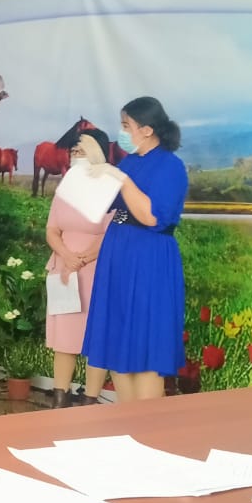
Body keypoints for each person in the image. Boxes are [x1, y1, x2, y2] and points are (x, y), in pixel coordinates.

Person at [82, 96, 189, 402]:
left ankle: (147, 422)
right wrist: (95, 170)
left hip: (148, 258)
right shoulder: (129, 162)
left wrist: (122, 179)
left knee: (145, 342)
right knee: (117, 340)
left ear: (147, 129)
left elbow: (152, 216)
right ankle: (127, 417)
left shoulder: (170, 166)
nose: (123, 132)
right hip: (119, 254)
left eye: (126, 125)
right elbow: (106, 206)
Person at [45, 128, 114, 408]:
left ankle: (89, 400)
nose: (76, 156)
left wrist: (83, 258)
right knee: (65, 337)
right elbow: (52, 229)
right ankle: (60, 398)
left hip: (96, 270)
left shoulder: (112, 188)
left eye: (82, 151)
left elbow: (111, 233)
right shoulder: (65, 189)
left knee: (95, 336)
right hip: (64, 270)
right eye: (74, 151)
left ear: (98, 153)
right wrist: (66, 256)